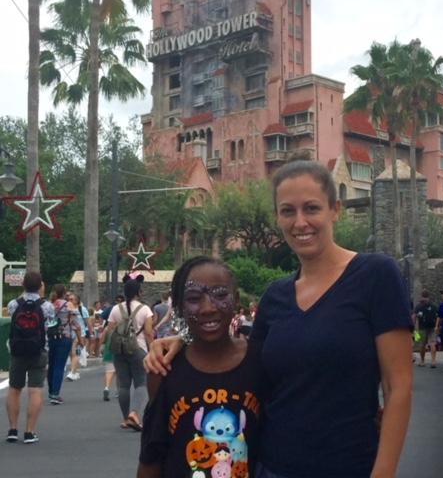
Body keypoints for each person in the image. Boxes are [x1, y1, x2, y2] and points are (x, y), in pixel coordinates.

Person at [146, 159, 413, 478]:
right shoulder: (275, 297)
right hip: (273, 466)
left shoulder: (376, 275)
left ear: (335, 210)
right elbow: (247, 363)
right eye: (288, 211)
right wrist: (185, 340)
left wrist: (383, 473)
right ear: (277, 218)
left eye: (311, 208)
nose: (300, 222)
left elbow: (399, 387)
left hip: (351, 464)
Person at [137, 256, 263, 478]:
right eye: (194, 298)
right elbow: (152, 453)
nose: (208, 308)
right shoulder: (164, 368)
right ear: (178, 307)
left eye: (220, 295)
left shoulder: (261, 361)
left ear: (235, 299)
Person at [6, 271, 55, 444]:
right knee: (35, 390)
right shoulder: (47, 306)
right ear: (41, 285)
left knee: (14, 388)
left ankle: (12, 429)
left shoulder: (13, 304)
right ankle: (30, 431)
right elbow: (50, 326)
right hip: (38, 350)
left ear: (23, 285)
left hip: (18, 351)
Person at [106, 274, 153, 431]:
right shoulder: (145, 309)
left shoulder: (115, 309)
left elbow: (110, 330)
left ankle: (126, 418)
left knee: (123, 385)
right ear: (138, 292)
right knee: (142, 382)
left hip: (119, 351)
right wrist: (152, 349)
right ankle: (135, 414)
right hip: (138, 348)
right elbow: (148, 333)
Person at [47, 284, 83, 404]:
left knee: (51, 365)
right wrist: (80, 339)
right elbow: (75, 324)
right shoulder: (69, 305)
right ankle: (55, 394)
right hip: (65, 337)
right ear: (64, 293)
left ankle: (51, 391)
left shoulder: (50, 305)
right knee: (59, 365)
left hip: (51, 337)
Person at [412, 290, 438, 367]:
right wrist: (438, 326)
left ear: (421, 297)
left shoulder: (419, 306)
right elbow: (438, 316)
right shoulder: (433, 306)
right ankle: (433, 361)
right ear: (428, 297)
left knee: (422, 345)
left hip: (422, 327)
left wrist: (413, 327)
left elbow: (414, 316)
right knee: (432, 343)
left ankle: (422, 361)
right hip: (432, 326)